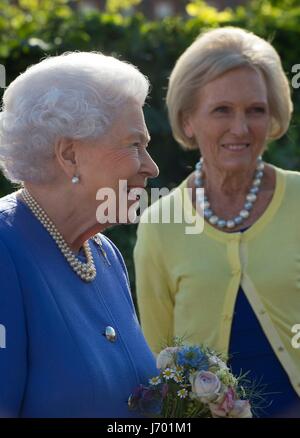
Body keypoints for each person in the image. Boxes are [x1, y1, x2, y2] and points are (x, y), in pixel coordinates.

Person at [134, 27, 300, 417]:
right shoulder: (160, 224)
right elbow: (158, 363)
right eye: (222, 110)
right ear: (188, 121)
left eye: (256, 110)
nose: (240, 129)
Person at [0, 51, 159, 417]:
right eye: (135, 145)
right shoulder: (5, 251)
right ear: (70, 155)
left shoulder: (103, 253)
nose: (151, 168)